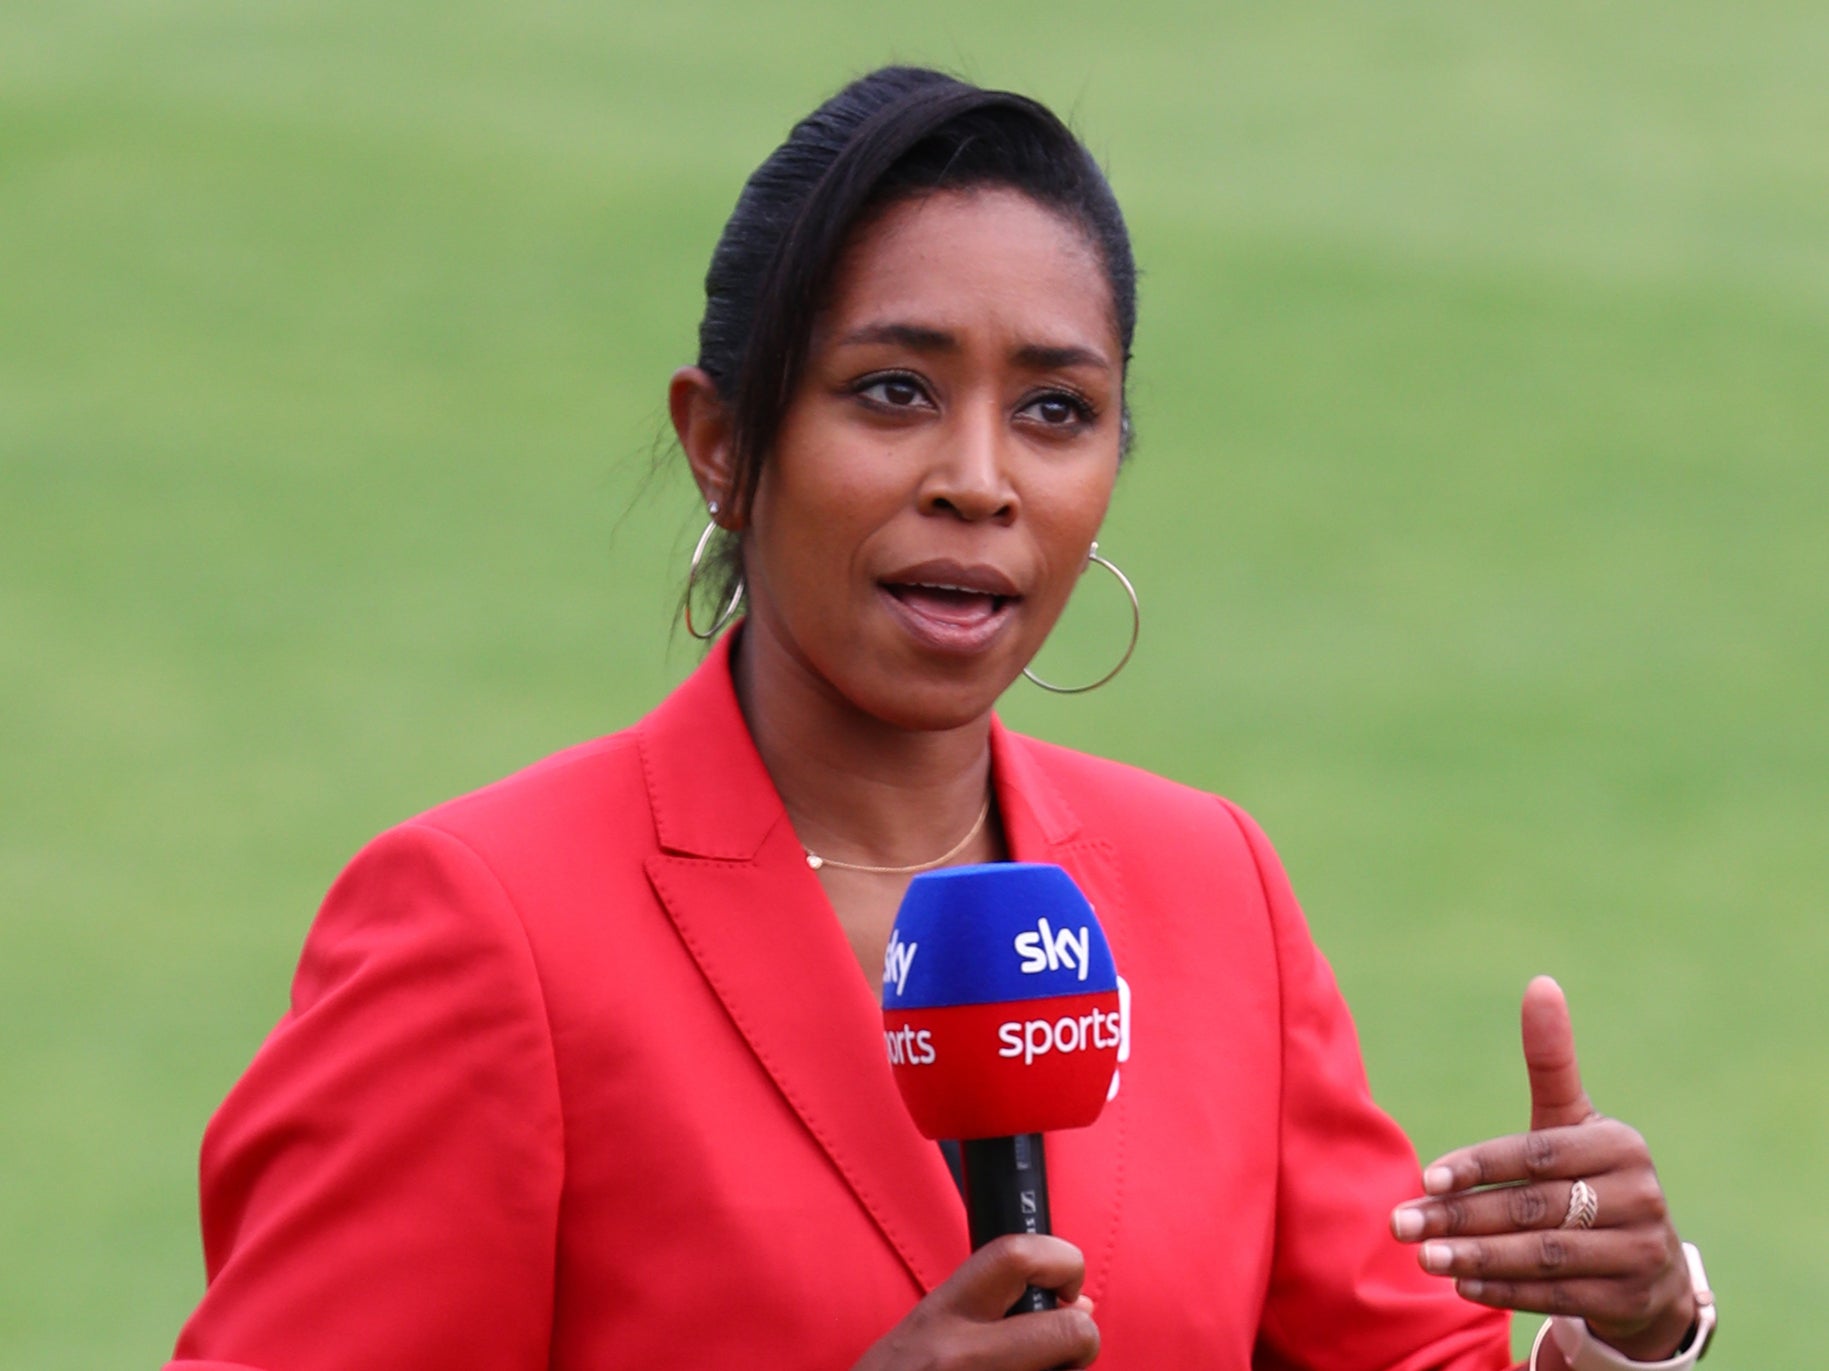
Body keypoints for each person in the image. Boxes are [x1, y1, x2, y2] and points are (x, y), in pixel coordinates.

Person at [165, 67, 1713, 1371]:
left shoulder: (1207, 891)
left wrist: (1635, 1333)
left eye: (1053, 409)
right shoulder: (491, 925)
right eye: (893, 391)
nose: (979, 477)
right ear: (721, 443)